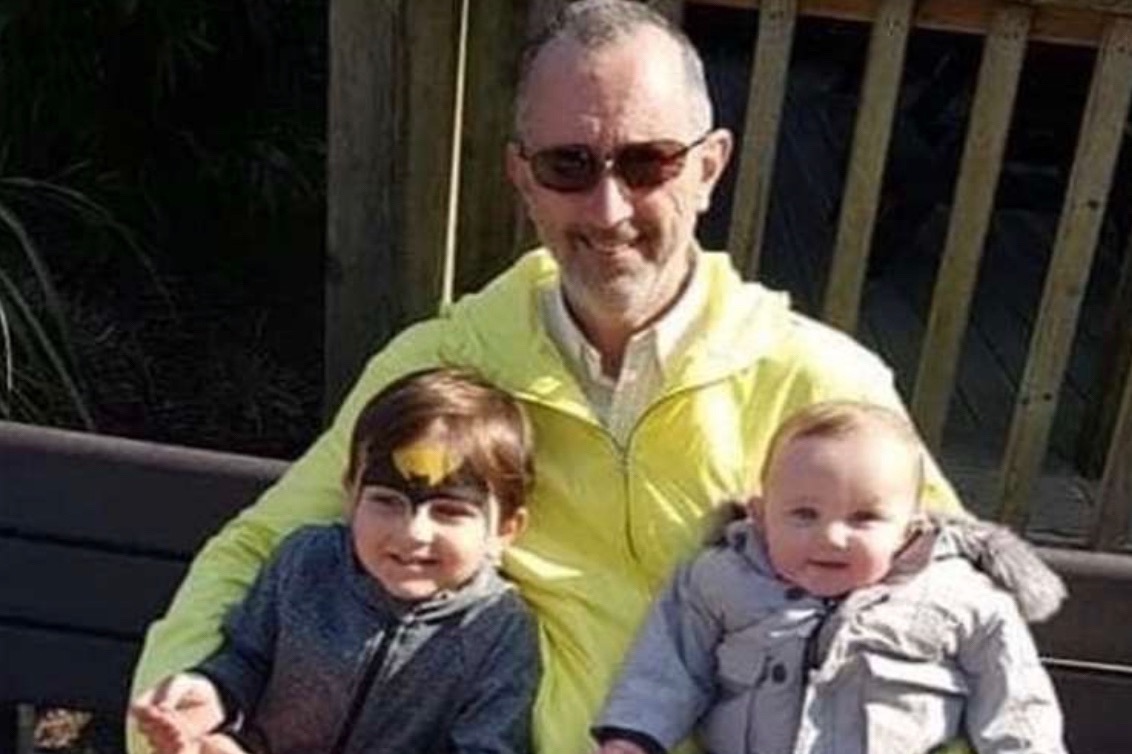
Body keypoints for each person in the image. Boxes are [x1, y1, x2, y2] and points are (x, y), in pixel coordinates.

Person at [130, 2, 966, 753]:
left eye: (647, 163)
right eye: (570, 165)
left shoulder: (819, 384)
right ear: (523, 177)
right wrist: (178, 719)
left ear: (709, 168)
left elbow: (953, 623)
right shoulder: (444, 373)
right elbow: (259, 547)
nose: (608, 209)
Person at [594, 401, 1066, 754]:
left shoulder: (960, 598)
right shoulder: (721, 579)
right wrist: (633, 737)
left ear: (910, 528)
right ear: (761, 515)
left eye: (865, 517)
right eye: (804, 514)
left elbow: (1016, 698)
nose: (832, 537)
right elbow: (669, 663)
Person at [131, 368, 540, 754]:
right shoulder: (307, 561)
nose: (413, 532)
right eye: (386, 501)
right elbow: (247, 658)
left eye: (449, 511)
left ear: (505, 529)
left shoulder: (498, 627)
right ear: (351, 496)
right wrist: (212, 695)